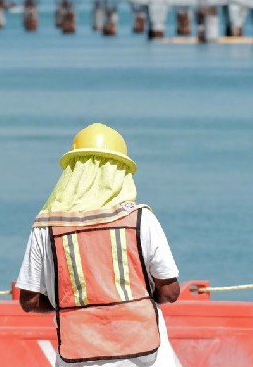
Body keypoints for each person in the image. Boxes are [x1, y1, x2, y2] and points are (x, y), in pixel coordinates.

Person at [16, 123, 181, 366]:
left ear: (72, 170)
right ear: (121, 170)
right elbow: (170, 292)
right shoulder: (141, 219)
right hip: (146, 356)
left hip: (77, 355)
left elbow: (29, 302)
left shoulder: (45, 226)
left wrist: (74, 306)